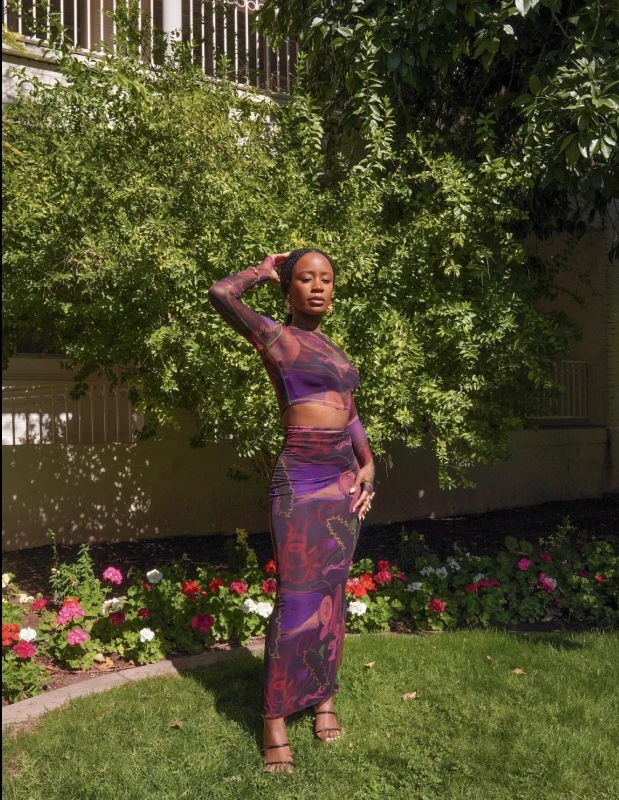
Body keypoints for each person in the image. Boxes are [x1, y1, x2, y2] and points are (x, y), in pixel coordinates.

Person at [208, 249, 376, 773]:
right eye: (306, 278)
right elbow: (221, 294)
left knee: (332, 590)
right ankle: (275, 719)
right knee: (297, 595)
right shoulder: (275, 337)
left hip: (343, 476)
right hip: (302, 474)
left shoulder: (336, 350)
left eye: (326, 279)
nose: (318, 287)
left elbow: (349, 414)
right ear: (289, 289)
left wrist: (368, 464)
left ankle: (324, 697)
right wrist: (263, 268)